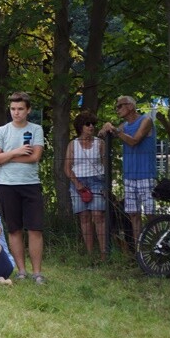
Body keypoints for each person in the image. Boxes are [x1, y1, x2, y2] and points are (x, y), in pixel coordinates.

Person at [0, 90, 46, 284]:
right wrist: (17, 152)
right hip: (7, 185)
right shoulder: (2, 131)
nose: (16, 112)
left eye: (20, 109)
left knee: (35, 229)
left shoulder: (36, 129)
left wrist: (8, 156)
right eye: (13, 108)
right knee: (14, 229)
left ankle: (37, 272)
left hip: (31, 184)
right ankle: (21, 271)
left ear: (28, 110)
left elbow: (35, 157)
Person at [100, 95, 156, 243]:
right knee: (133, 214)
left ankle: (157, 244)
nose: (117, 110)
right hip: (129, 176)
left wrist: (116, 131)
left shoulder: (146, 120)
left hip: (145, 174)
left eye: (119, 106)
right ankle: (140, 250)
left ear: (130, 106)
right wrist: (106, 127)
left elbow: (134, 141)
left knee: (150, 213)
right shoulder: (124, 126)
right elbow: (102, 134)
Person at [65, 110, 107, 259]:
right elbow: (67, 167)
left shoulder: (100, 143)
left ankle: (103, 253)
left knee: (98, 215)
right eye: (88, 124)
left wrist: (106, 186)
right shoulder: (72, 144)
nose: (91, 127)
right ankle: (90, 253)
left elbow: (106, 165)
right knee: (84, 217)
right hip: (78, 181)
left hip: (97, 180)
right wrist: (77, 184)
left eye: (93, 124)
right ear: (80, 126)